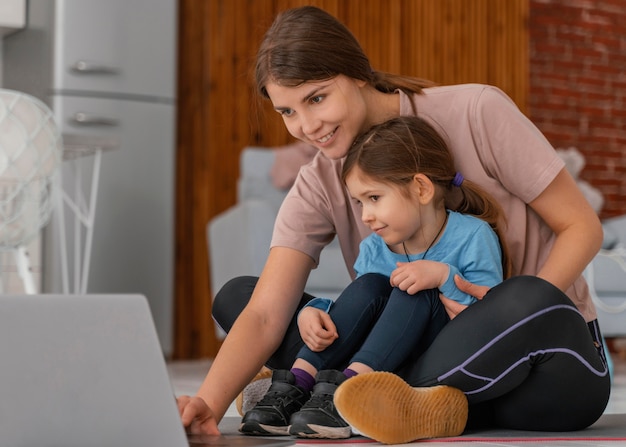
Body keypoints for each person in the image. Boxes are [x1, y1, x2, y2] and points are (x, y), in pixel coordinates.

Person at [177, 5, 610, 443]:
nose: (307, 126)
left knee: (524, 298)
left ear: (358, 74)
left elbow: (582, 227)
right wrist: (206, 404)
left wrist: (503, 316)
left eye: (317, 97)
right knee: (240, 297)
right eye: (287, 112)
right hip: (406, 346)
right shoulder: (319, 179)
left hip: (536, 367)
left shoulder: (477, 111)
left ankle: (323, 390)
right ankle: (389, 399)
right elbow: (267, 312)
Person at [239, 116, 509, 439]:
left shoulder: (473, 236)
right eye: (359, 202)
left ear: (421, 189)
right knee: (369, 284)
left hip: (441, 358)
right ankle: (299, 383)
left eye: (374, 198)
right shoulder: (373, 248)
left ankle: (352, 394)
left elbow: (493, 321)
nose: (365, 216)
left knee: (414, 289)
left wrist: (442, 276)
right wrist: (316, 313)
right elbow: (362, 311)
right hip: (387, 357)